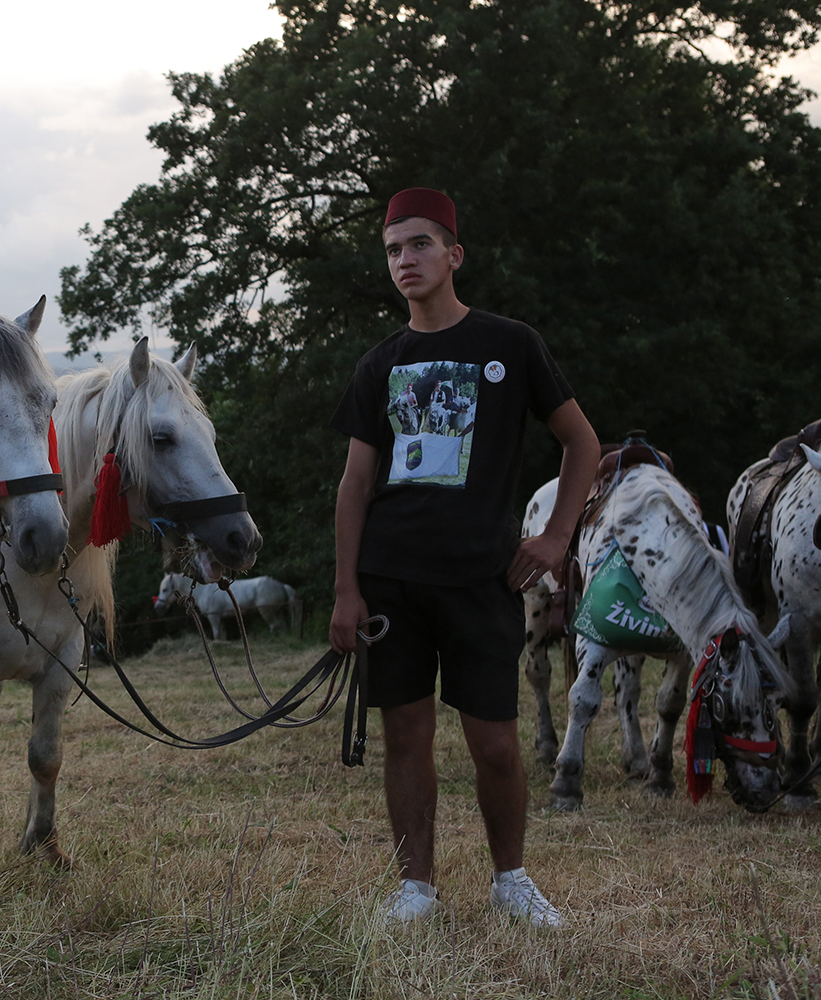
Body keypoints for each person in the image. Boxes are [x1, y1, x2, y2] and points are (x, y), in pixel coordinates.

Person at [328, 188, 600, 927]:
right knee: (405, 737)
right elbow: (355, 484)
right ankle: (416, 888)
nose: (404, 261)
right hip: (391, 579)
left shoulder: (511, 345)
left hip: (483, 577)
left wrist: (555, 537)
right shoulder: (381, 362)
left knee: (497, 744)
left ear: (454, 255)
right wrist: (346, 589)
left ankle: (511, 880)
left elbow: (583, 443)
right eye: (392, 250)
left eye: (419, 245)